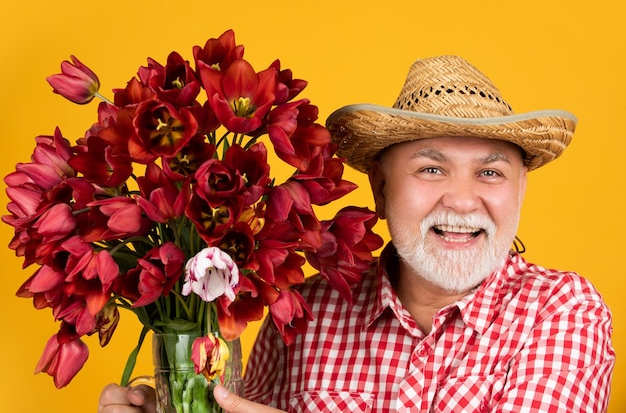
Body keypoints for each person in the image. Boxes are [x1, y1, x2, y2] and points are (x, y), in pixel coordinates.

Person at [98, 55, 615, 412]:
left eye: (491, 172)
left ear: (520, 192)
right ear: (382, 190)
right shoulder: (304, 308)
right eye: (431, 169)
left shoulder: (563, 310)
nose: (462, 199)